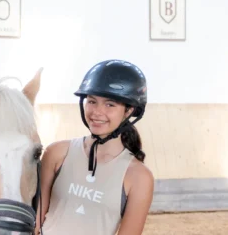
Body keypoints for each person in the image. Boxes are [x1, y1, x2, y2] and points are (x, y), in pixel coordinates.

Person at [35, 60, 154, 235]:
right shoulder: (56, 153)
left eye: (110, 104)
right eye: (91, 101)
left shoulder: (139, 177)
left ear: (129, 111)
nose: (97, 112)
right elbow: (36, 221)